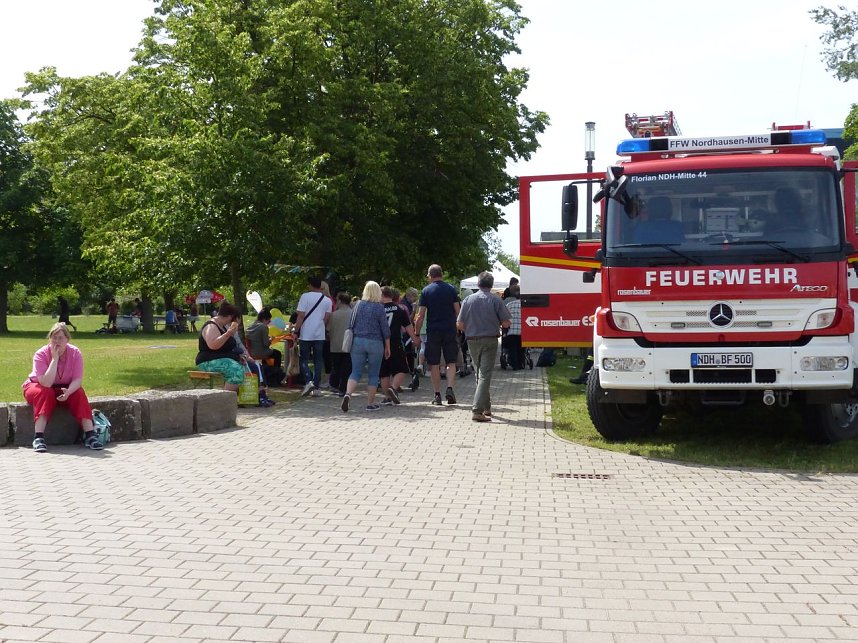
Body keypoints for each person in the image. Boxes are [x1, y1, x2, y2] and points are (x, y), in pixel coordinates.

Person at [23, 322, 103, 452]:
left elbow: (77, 380)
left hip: (65, 387)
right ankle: (38, 437)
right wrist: (54, 359)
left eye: (60, 338)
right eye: (54, 337)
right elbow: (46, 382)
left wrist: (69, 392)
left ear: (67, 339)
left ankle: (90, 435)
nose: (57, 341)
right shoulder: (41, 354)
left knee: (79, 393)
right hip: (39, 386)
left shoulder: (75, 353)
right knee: (45, 392)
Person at [457, 272, 511, 422]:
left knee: (479, 373)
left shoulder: (468, 299)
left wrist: (471, 329)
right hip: (490, 340)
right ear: (491, 285)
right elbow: (507, 323)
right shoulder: (495, 300)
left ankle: (486, 407)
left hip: (472, 340)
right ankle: (477, 410)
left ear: (478, 284)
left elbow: (460, 324)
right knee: (485, 374)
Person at [413, 264, 461, 406]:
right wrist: (458, 327)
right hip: (450, 330)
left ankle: (437, 394)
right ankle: (450, 388)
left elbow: (420, 315)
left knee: (433, 364)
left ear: (430, 275)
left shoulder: (426, 291)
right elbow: (458, 311)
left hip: (433, 331)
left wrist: (416, 332)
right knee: (450, 362)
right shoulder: (451, 289)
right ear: (441, 274)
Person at [341, 281, 390, 412]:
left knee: (355, 372)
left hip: (358, 341)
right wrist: (388, 347)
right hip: (375, 343)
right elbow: (385, 329)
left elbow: (350, 324)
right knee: (373, 374)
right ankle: (370, 403)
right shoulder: (379, 307)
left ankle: (348, 394)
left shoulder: (357, 305)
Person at [194, 302, 251, 394]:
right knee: (236, 369)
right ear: (230, 317)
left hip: (220, 360)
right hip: (207, 361)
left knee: (244, 368)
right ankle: (224, 398)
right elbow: (213, 345)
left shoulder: (223, 327)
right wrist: (228, 334)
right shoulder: (211, 326)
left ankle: (241, 397)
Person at [379, 286, 420, 405]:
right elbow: (408, 327)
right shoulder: (400, 309)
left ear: (381, 295)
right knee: (402, 368)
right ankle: (394, 387)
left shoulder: (379, 309)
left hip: (381, 343)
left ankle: (387, 397)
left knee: (384, 372)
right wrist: (415, 339)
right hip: (395, 341)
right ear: (392, 295)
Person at [295, 276, 333, 396]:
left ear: (310, 285)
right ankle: (316, 386)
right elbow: (326, 318)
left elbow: (301, 316)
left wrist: (296, 331)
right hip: (319, 333)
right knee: (318, 360)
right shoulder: (327, 300)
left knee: (304, 359)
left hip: (306, 333)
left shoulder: (305, 297)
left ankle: (308, 380)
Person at [246, 306, 285, 388]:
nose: (269, 322)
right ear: (265, 319)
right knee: (277, 353)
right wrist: (271, 339)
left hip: (251, 352)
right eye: (269, 320)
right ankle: (276, 376)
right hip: (261, 352)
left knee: (271, 354)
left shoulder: (250, 326)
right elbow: (266, 344)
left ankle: (268, 373)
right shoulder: (263, 327)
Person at [327, 292, 353, 397]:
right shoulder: (353, 314)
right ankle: (343, 388)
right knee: (346, 368)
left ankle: (334, 385)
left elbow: (328, 329)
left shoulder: (334, 315)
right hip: (349, 345)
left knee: (336, 366)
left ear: (340, 301)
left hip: (335, 344)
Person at [503, 285, 524, 370]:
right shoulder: (526, 306)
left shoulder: (509, 305)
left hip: (511, 331)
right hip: (523, 332)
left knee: (513, 349)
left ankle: (515, 365)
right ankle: (521, 363)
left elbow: (505, 317)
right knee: (521, 349)